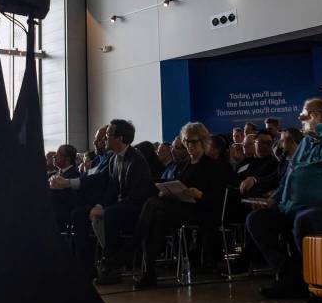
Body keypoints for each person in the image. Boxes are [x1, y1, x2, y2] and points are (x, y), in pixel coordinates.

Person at [245, 98, 322, 299]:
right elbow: (292, 175)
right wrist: (276, 200)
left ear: (319, 115)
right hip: (295, 206)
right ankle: (290, 275)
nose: (300, 118)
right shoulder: (306, 142)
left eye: (305, 115)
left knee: (305, 220)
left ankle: (315, 279)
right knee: (257, 220)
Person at [128, 123, 227, 288]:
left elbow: (218, 197)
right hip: (181, 209)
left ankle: (133, 249)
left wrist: (200, 194)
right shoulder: (184, 165)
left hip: (202, 211)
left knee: (152, 205)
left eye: (193, 142)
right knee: (157, 217)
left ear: (203, 141)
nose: (189, 145)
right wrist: (168, 192)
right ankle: (149, 272)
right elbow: (179, 186)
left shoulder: (214, 166)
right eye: (186, 142)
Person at [87, 120, 153, 285]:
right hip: (122, 206)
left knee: (110, 215)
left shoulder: (136, 159)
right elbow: (112, 190)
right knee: (98, 214)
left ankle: (112, 265)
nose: (105, 139)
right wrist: (100, 206)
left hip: (137, 209)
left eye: (108, 135)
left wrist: (107, 209)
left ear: (120, 138)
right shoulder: (113, 160)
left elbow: (138, 195)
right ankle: (111, 261)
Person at [240, 128, 302, 198]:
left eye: (282, 141)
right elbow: (275, 177)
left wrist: (277, 193)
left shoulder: (304, 162)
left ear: (292, 142)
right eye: (262, 142)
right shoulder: (285, 159)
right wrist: (254, 179)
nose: (280, 145)